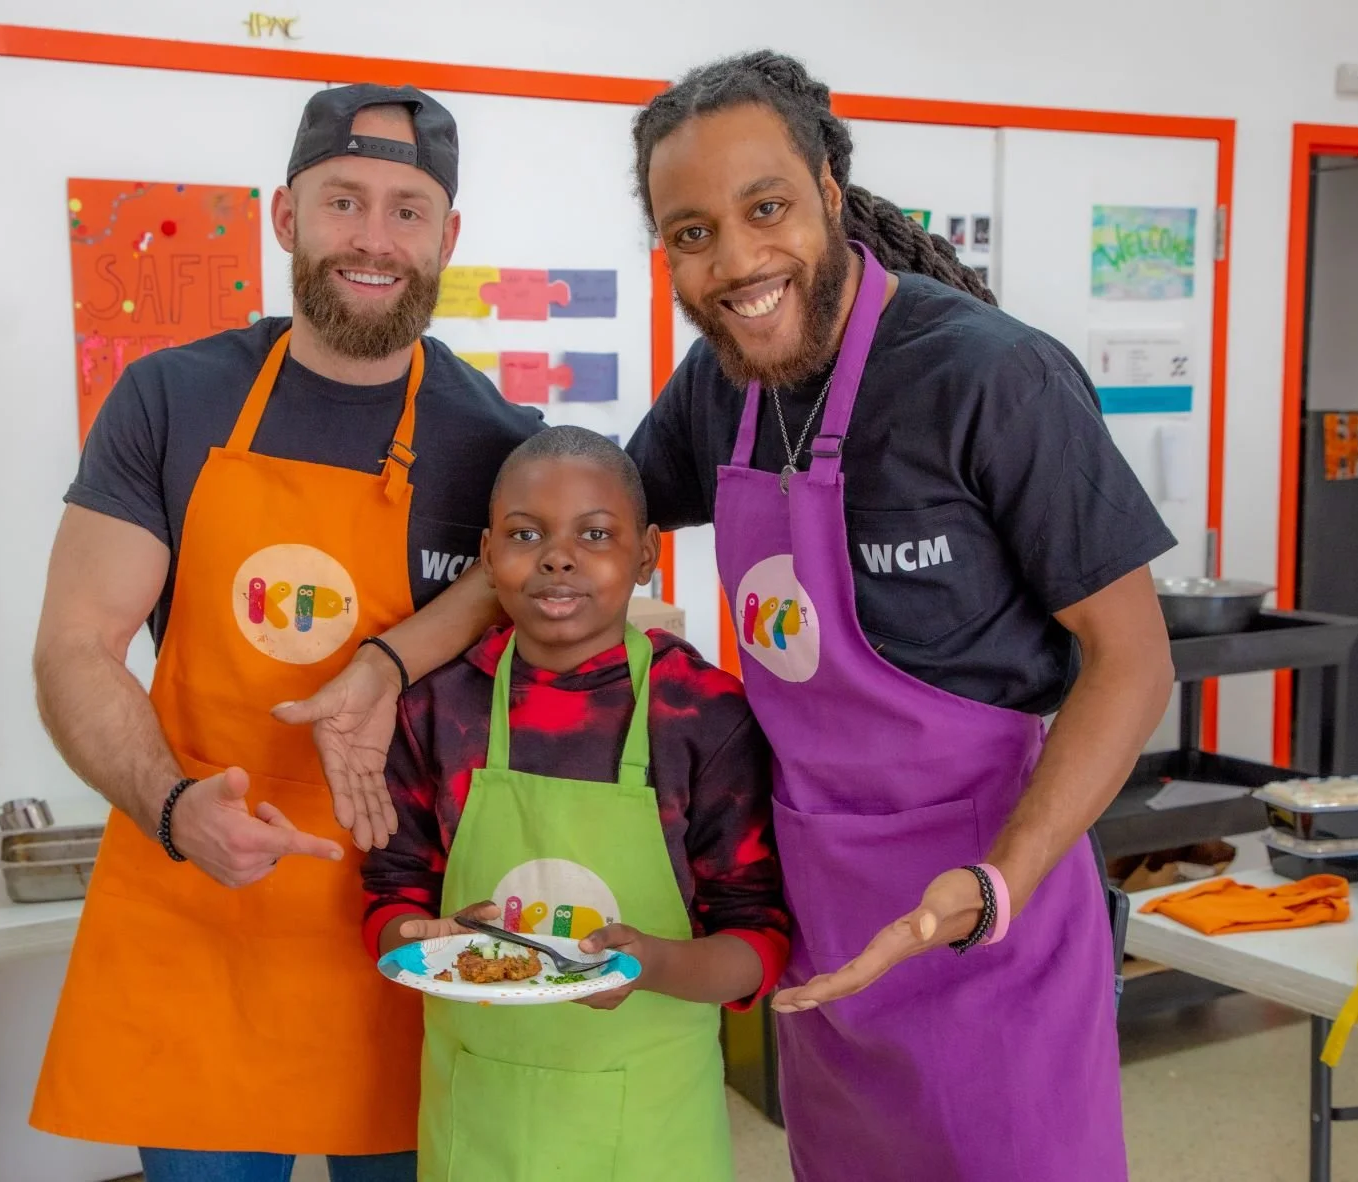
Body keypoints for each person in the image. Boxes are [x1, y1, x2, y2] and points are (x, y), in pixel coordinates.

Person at [293, 51, 1179, 1181]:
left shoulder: (991, 380)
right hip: (823, 912)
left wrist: (991, 885)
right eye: (692, 231)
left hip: (988, 903)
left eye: (764, 209)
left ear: (827, 185)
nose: (736, 261)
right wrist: (385, 666)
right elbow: (571, 548)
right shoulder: (722, 389)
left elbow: (1132, 661)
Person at [26, 84, 541, 1181]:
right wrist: (173, 810)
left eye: (409, 210)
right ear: (284, 216)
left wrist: (391, 659)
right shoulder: (170, 400)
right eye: (343, 201)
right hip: (204, 900)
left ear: (448, 237)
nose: (373, 237)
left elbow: (550, 597)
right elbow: (75, 644)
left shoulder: (499, 438)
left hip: (405, 921)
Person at [363, 426, 788, 1181]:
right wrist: (419, 939)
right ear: (488, 555)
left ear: (647, 553)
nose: (557, 556)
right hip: (480, 1116)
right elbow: (389, 898)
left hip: (651, 1128)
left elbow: (756, 939)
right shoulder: (434, 710)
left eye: (594, 533)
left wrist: (653, 965)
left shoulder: (703, 715)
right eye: (526, 534)